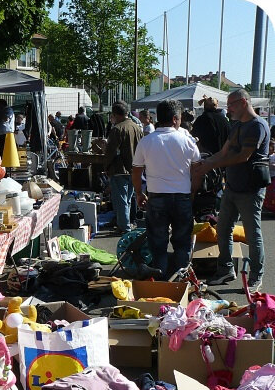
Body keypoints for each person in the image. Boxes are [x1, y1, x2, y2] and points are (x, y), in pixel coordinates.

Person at [194, 89, 270, 293]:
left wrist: (210, 166)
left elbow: (243, 156)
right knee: (223, 229)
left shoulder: (257, 126)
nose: (229, 109)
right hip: (232, 188)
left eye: (232, 104)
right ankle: (226, 268)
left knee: (252, 235)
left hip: (250, 190)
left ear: (244, 102)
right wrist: (205, 162)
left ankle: (255, 276)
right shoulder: (236, 125)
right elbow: (224, 152)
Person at [132, 100, 202, 279]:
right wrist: (192, 192)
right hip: (182, 197)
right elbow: (197, 170)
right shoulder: (187, 141)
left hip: (156, 198)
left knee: (158, 242)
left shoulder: (146, 141)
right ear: (175, 119)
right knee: (182, 242)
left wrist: (139, 193)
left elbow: (136, 170)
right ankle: (180, 279)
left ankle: (161, 279)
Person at [102, 101, 143, 234]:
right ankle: (126, 224)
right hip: (134, 168)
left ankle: (124, 227)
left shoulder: (118, 129)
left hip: (119, 168)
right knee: (128, 199)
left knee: (121, 200)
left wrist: (106, 166)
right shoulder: (136, 127)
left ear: (115, 114)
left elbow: (110, 152)